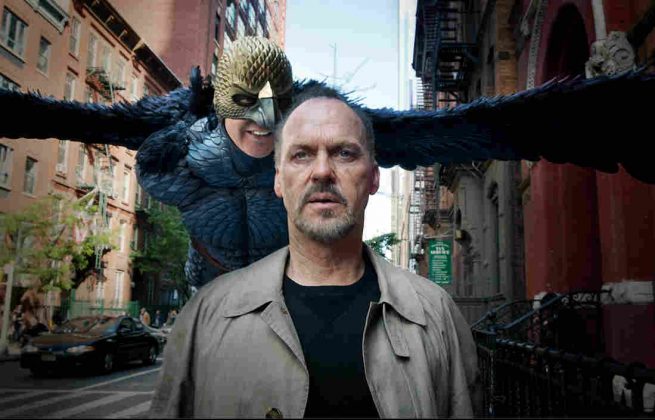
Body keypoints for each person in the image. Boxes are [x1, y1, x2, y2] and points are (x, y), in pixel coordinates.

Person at [150, 86, 481, 418]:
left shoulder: (436, 316)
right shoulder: (206, 315)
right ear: (278, 180)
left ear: (373, 178)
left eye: (344, 153)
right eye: (301, 155)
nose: (322, 171)